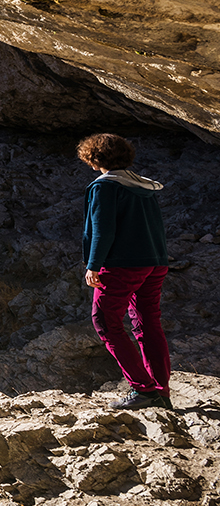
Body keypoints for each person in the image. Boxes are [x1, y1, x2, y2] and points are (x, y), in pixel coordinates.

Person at [77, 132, 172, 410]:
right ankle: (160, 391)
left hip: (122, 264)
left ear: (94, 158)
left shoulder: (104, 187)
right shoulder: (143, 186)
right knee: (147, 323)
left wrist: (93, 265)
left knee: (105, 321)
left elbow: (102, 230)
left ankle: (142, 389)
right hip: (155, 262)